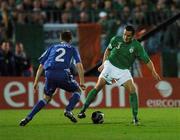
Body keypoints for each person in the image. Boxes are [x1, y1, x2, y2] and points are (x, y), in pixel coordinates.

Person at [78, 25, 161, 125]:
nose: (126, 37)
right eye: (124, 34)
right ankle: (82, 110)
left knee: (132, 90)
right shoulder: (116, 39)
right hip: (110, 65)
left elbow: (147, 60)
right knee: (98, 86)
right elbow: (107, 51)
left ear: (133, 36)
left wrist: (154, 72)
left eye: (128, 36)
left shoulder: (137, 46)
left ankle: (135, 118)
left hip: (123, 70)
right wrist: (104, 64)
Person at [19, 31, 86, 126]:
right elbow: (79, 65)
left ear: (60, 39)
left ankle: (28, 117)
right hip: (62, 73)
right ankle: (68, 110)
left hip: (49, 73)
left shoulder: (52, 47)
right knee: (78, 90)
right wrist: (82, 82)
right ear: (70, 40)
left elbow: (41, 66)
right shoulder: (72, 49)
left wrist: (36, 82)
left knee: (46, 98)